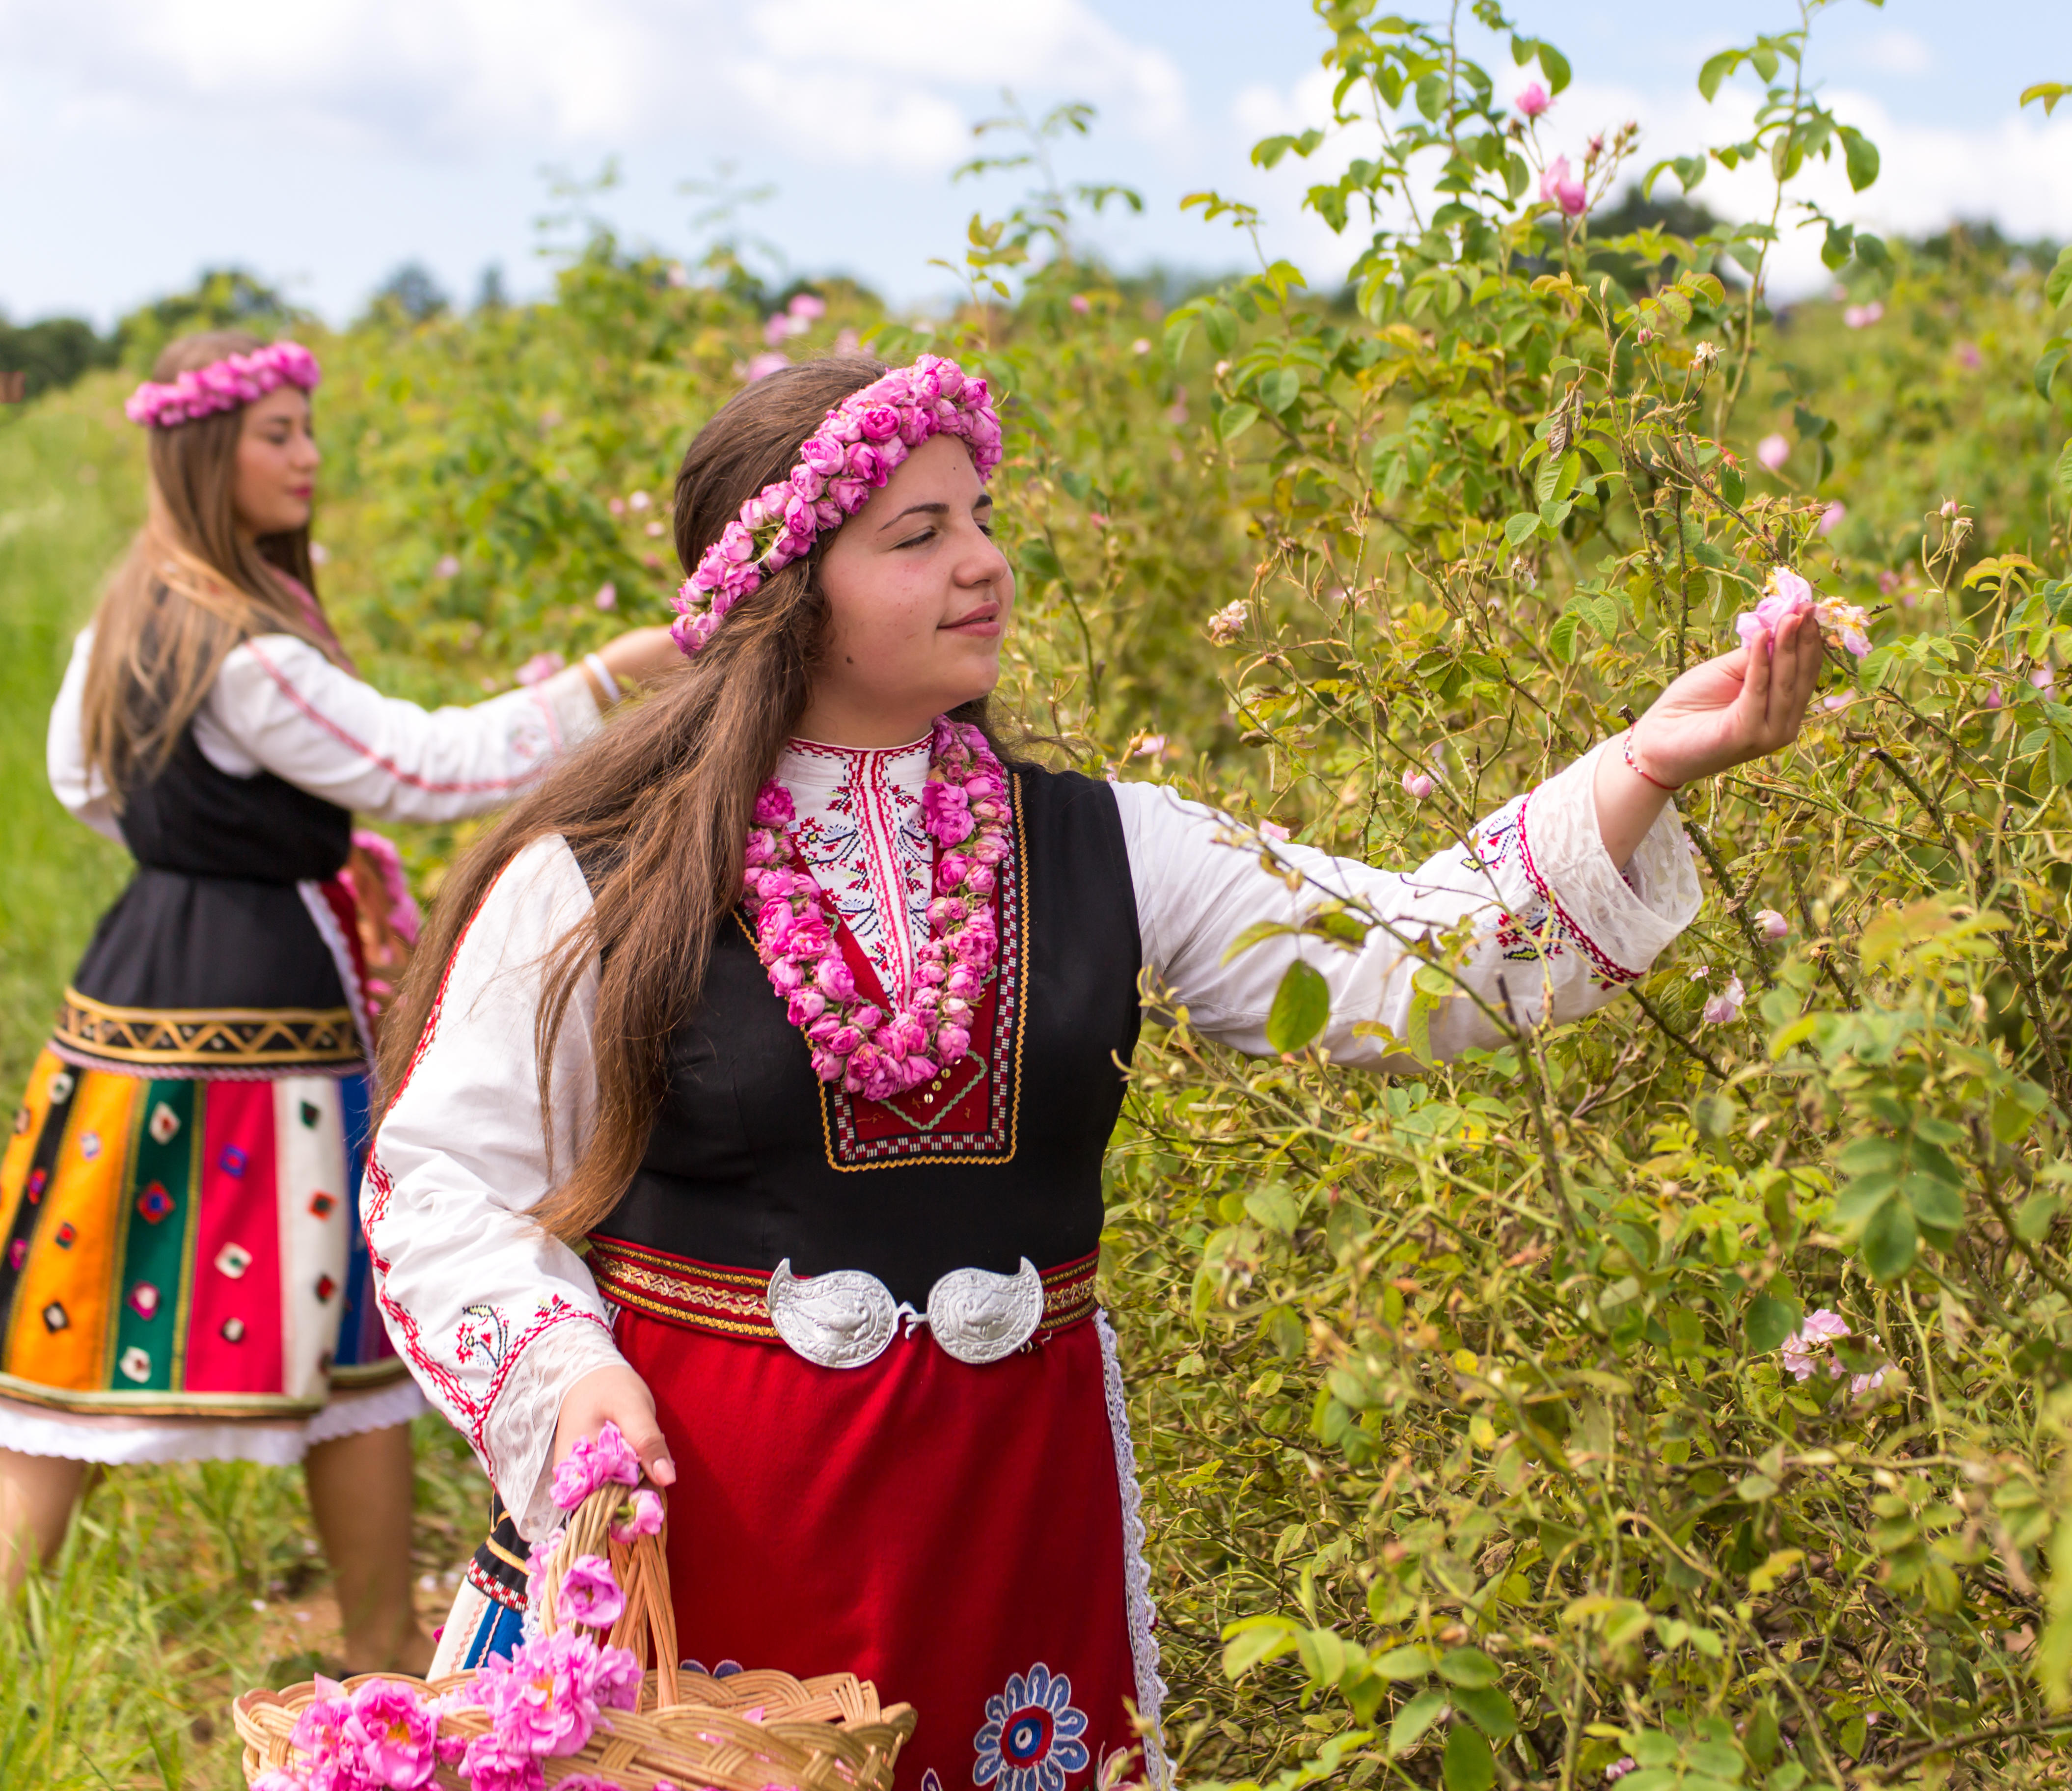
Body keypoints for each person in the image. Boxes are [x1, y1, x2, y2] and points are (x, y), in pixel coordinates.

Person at [368, 354, 1824, 1790]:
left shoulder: (1101, 841)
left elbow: (1402, 967)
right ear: (786, 591)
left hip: (1011, 1521)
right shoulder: (608, 874)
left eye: (984, 516)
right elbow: (442, 1180)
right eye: (921, 535)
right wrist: (562, 1379)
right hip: (710, 1525)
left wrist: (1645, 763)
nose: (985, 564)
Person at [0, 330, 681, 1672]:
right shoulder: (244, 648)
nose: (306, 456)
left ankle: (329, 1662)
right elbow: (427, 766)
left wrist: (202, 846)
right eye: (275, 434)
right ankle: (381, 1663)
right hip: (271, 1023)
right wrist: (610, 674)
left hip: (134, 992)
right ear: (205, 453)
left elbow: (82, 781)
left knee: (63, 1364)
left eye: (308, 429)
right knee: (351, 1350)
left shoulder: (132, 616)